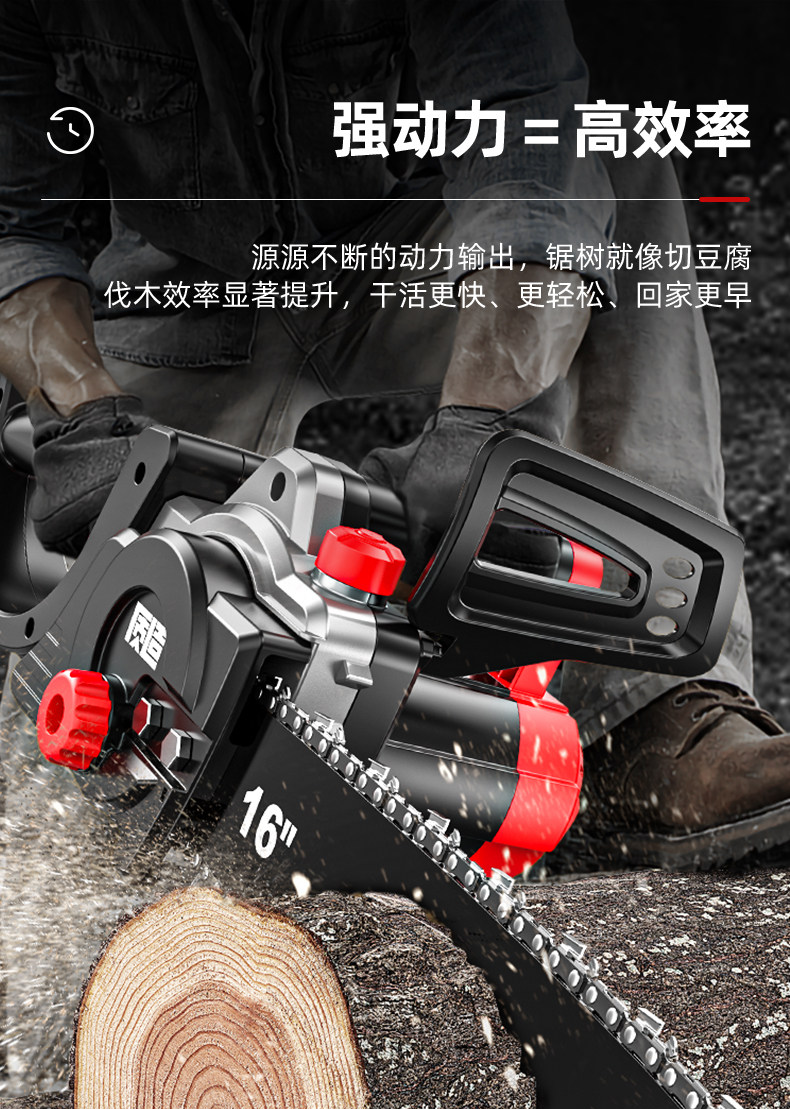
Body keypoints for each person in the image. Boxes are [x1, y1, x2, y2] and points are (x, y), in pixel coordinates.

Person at [0, 0, 788, 869]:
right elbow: (13, 223)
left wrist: (479, 430)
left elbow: (528, 139)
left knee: (622, 175)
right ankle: (88, 825)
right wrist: (83, 416)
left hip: (416, 249)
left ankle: (651, 716)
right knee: (87, 612)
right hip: (191, 290)